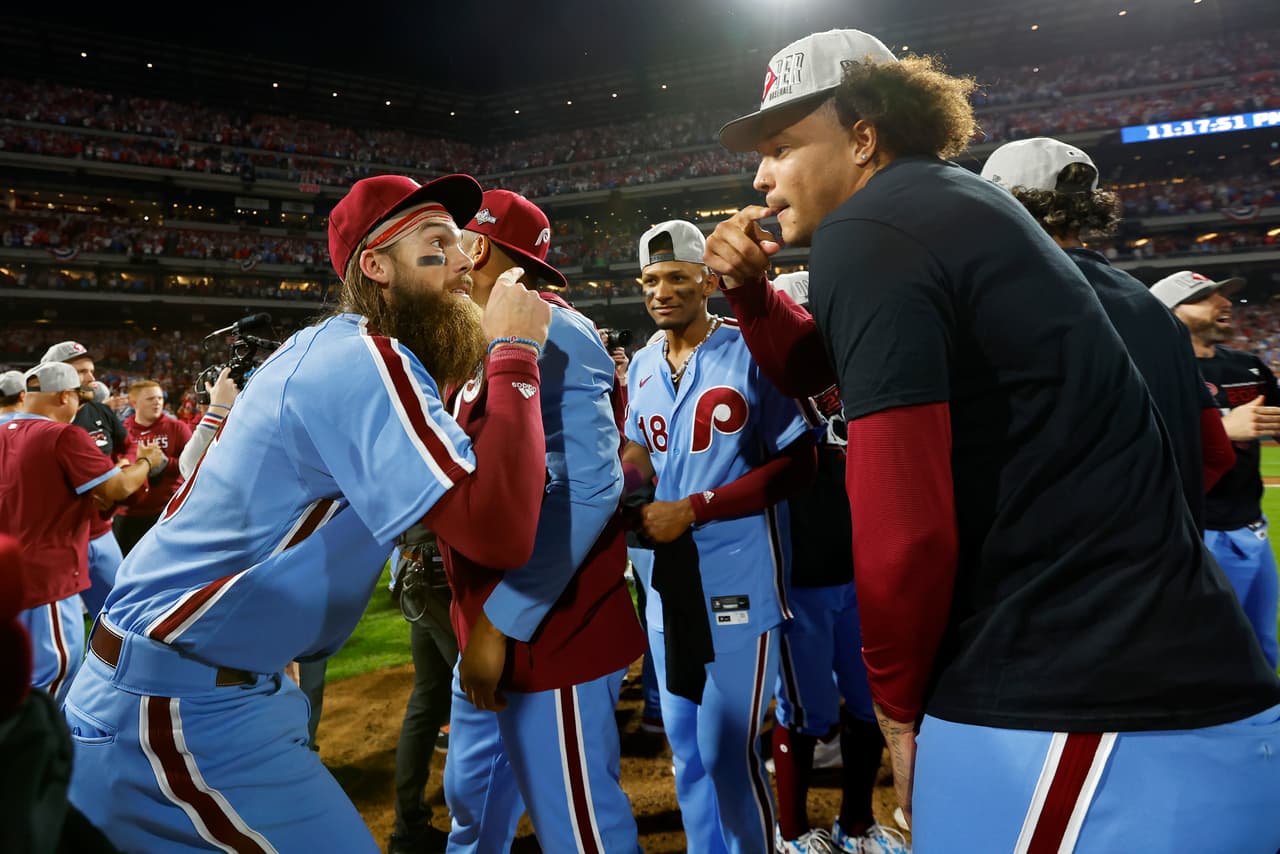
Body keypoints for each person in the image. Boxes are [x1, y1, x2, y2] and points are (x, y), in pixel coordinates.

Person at [705, 28, 1280, 851]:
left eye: (783, 146)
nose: (760, 176)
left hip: (1084, 700)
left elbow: (902, 517)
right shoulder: (945, 206)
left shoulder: (868, 228)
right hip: (1147, 680)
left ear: (864, 134)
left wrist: (898, 709)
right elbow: (824, 375)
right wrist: (753, 294)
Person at [60, 172, 553, 853]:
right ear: (376, 265)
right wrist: (516, 352)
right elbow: (499, 532)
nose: (466, 259)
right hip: (175, 710)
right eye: (438, 244)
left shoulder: (338, 349)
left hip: (192, 690)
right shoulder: (365, 356)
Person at [440, 189, 645, 852]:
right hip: (488, 625)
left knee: (578, 829)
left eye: (448, 239)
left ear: (475, 248)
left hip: (552, 631)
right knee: (474, 817)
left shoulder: (560, 332)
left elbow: (589, 492)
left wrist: (503, 622)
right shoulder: (473, 335)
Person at [622, 219, 815, 854]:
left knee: (725, 752)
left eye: (677, 276)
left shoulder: (750, 350)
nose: (662, 290)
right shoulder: (645, 362)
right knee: (686, 752)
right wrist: (619, 478)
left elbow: (800, 461)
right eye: (651, 280)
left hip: (736, 580)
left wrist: (696, 507)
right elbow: (641, 454)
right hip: (663, 585)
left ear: (708, 279)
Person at [980, 138, 1235, 532]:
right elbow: (1216, 452)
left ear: (1004, 204)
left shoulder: (997, 303)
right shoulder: (1154, 307)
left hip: (1060, 572)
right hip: (1171, 560)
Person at [765, 273, 906, 854]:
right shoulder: (763, 385)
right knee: (806, 712)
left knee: (870, 702)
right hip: (800, 576)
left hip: (863, 570)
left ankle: (856, 823)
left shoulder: (861, 376)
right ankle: (792, 832)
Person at [0, 362, 159, 703]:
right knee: (55, 673)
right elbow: (115, 489)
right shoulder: (62, 434)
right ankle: (37, 752)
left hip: (10, 571)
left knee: (17, 671)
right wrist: (145, 462)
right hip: (47, 579)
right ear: (64, 396)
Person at [1152, 269, 1280, 668]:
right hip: (1194, 534)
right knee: (1209, 655)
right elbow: (1142, 452)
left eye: (1224, 296)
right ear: (1170, 313)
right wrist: (1224, 429)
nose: (1225, 303)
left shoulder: (1249, 367)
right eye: (1207, 297)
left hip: (1252, 528)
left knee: (1262, 646)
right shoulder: (1151, 372)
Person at [39, 341, 135, 616]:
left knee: (119, 610)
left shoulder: (99, 410)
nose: (92, 379)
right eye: (81, 371)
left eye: (91, 371)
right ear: (55, 374)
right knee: (60, 626)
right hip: (58, 539)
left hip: (101, 530)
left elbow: (127, 443)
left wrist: (126, 461)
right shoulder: (37, 420)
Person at [387, 526, 458, 854]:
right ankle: (475, 832)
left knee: (428, 700)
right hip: (440, 575)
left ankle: (409, 831)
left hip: (416, 572)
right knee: (481, 700)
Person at [113, 380, 191, 556]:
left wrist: (162, 462)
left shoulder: (177, 427)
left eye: (159, 398)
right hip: (127, 515)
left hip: (165, 512)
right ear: (134, 403)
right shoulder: (123, 430)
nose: (157, 402)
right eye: (150, 399)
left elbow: (193, 465)